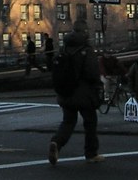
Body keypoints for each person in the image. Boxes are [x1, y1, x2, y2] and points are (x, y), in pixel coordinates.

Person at [48, 20, 103, 165]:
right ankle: (91, 153)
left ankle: (56, 143)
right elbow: (92, 73)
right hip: (84, 94)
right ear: (85, 32)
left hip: (66, 92)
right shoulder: (86, 50)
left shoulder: (64, 49)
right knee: (90, 123)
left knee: (68, 122)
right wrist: (98, 86)